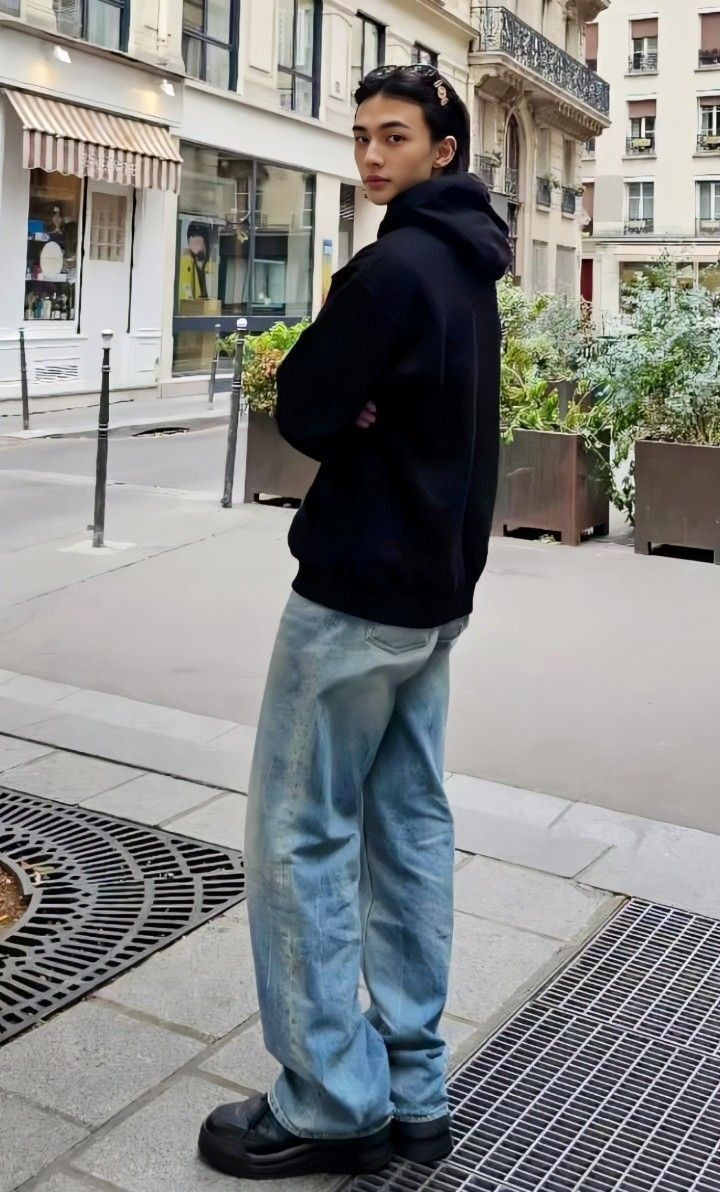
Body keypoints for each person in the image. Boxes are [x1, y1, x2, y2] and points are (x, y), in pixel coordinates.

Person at [198, 64, 511, 1182]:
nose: (373, 156)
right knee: (411, 826)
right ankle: (414, 1087)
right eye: (363, 136)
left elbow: (307, 408)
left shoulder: (387, 271)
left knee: (300, 837)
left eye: (396, 137)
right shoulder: (472, 267)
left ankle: (331, 1098)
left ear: (443, 149)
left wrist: (345, 394)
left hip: (352, 599)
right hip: (436, 600)